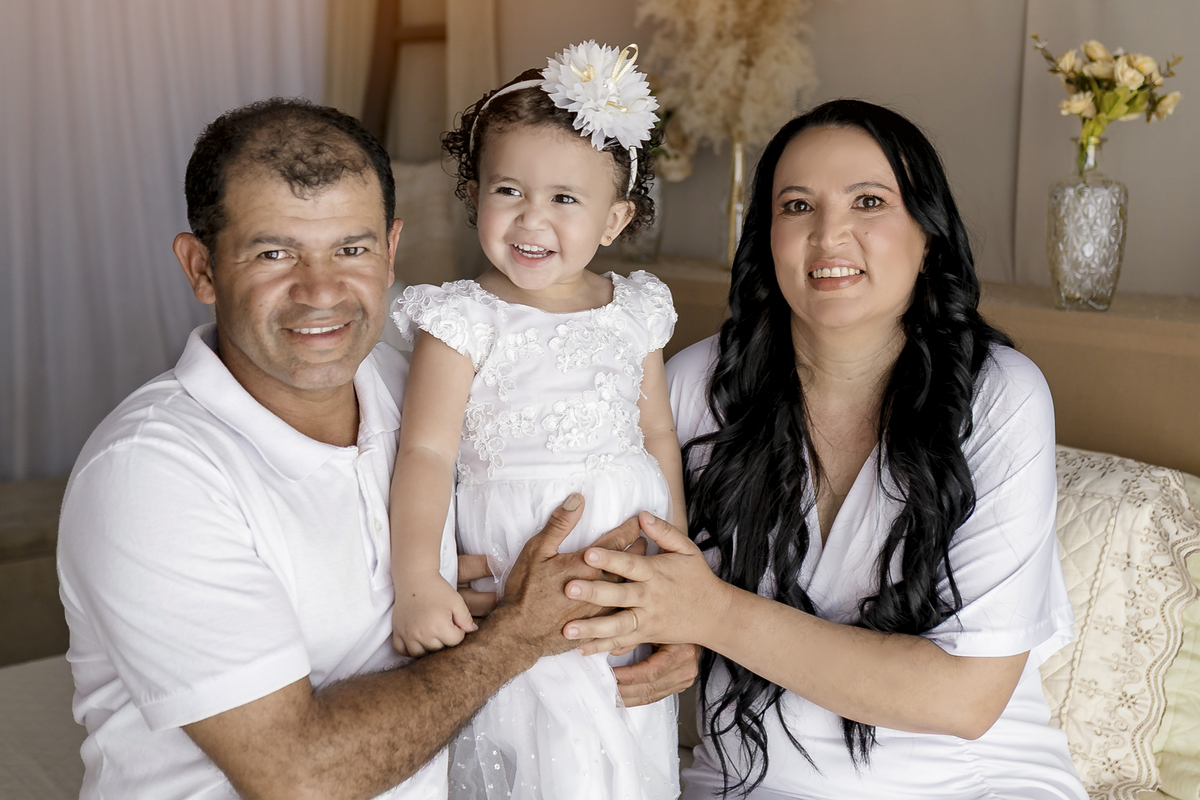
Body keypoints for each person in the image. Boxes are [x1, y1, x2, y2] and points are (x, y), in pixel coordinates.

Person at [55, 97, 696, 800]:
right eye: (274, 253)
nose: (320, 291)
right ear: (201, 267)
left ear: (391, 252)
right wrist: (515, 636)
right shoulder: (151, 475)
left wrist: (667, 613)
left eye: (351, 249)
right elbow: (299, 778)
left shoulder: (417, 383)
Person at [559, 99, 1090, 799]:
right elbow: (599, 556)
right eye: (798, 206)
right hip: (739, 783)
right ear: (768, 239)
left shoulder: (998, 395)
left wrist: (709, 613)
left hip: (966, 786)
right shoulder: (690, 388)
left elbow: (965, 698)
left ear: (928, 235)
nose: (829, 234)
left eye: (868, 202)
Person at [387, 41, 683, 800]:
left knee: (617, 737)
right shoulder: (463, 318)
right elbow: (425, 452)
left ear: (615, 219)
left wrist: (677, 559)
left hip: (622, 558)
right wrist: (418, 576)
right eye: (508, 189)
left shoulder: (634, 310)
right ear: (474, 194)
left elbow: (656, 434)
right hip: (514, 547)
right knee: (535, 741)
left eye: (564, 199)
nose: (531, 218)